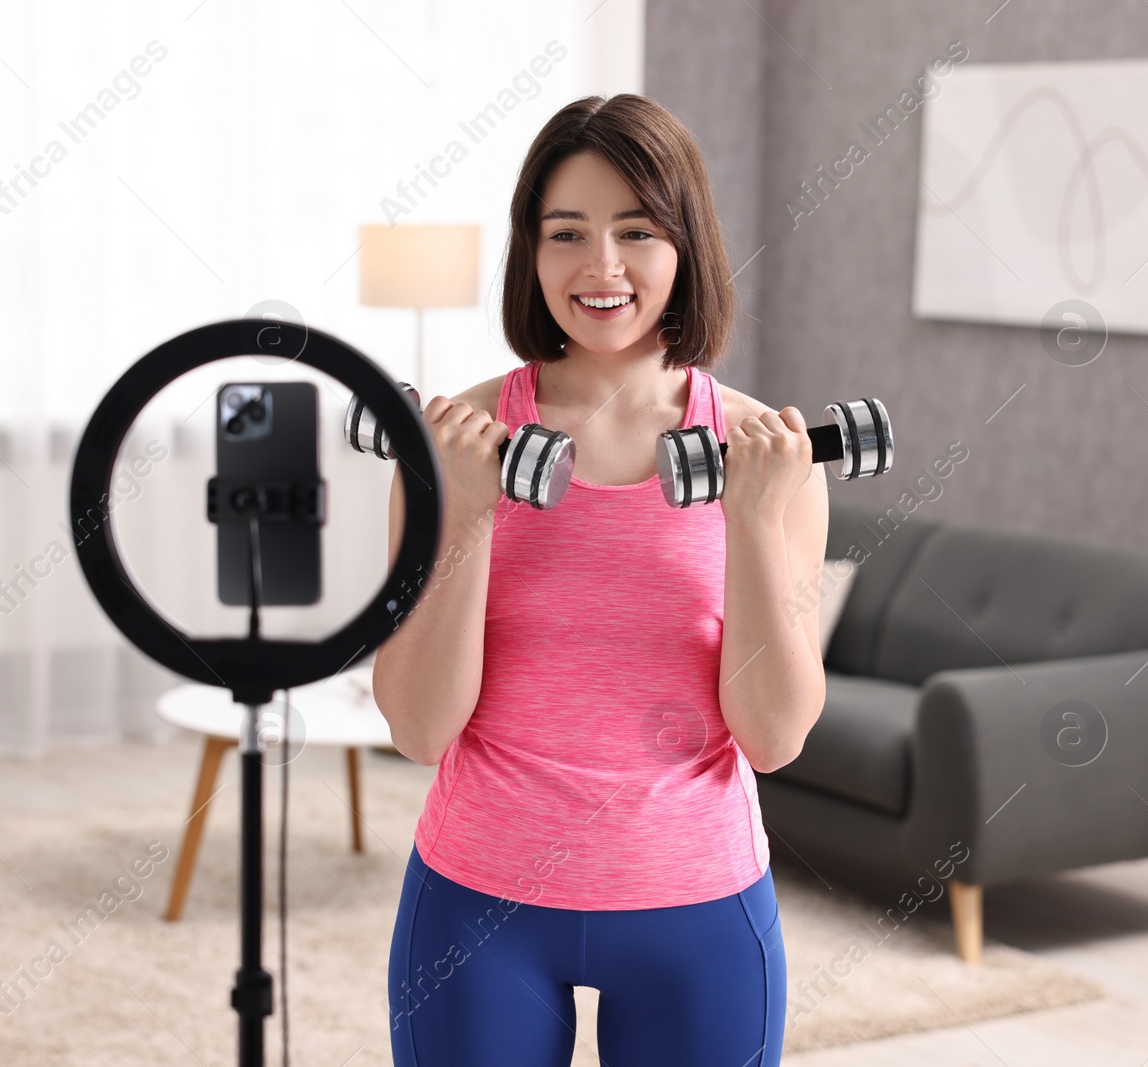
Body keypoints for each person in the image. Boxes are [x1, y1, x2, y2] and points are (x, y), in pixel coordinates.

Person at [372, 93, 830, 1067]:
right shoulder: (457, 441)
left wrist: (748, 517)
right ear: (529, 252)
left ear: (686, 244)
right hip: (478, 901)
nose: (602, 267)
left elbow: (776, 733)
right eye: (566, 232)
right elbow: (417, 728)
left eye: (636, 230)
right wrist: (465, 513)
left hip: (696, 903)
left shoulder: (766, 453)